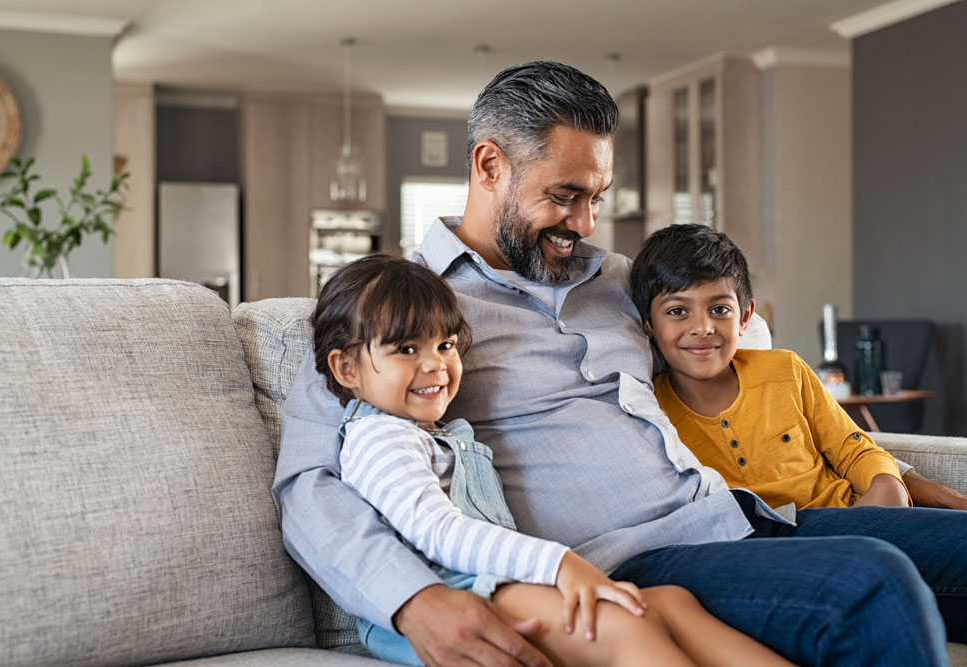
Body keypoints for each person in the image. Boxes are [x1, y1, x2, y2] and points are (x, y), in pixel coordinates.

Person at [275, 60, 967, 667]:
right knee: (871, 581)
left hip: (743, 516)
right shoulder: (391, 313)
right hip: (624, 562)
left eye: (597, 197)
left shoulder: (624, 281)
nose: (585, 223)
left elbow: (738, 369)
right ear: (489, 166)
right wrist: (411, 599)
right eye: (565, 195)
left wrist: (888, 466)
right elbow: (308, 485)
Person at [309, 252, 792, 667]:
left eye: (446, 345)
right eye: (407, 349)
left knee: (673, 602)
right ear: (346, 367)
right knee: (626, 625)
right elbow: (439, 532)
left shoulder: (434, 432)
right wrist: (560, 564)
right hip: (454, 594)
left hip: (496, 581)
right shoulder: (378, 439)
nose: (435, 364)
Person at [630, 223, 916, 511]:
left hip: (854, 511)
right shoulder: (651, 412)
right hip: (775, 541)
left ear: (744, 317)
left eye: (719, 310)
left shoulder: (785, 370)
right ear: (648, 323)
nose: (703, 328)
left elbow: (852, 449)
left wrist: (886, 482)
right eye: (678, 311)